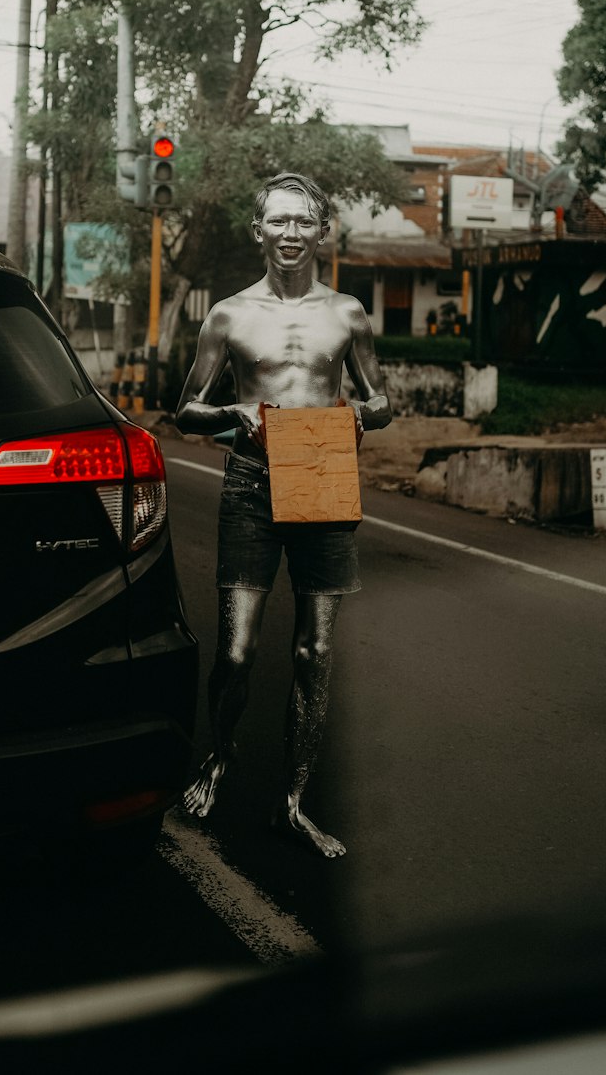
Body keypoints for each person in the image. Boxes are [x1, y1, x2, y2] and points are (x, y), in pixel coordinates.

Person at [175, 173, 392, 858]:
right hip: (251, 481)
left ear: (322, 230)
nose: (292, 234)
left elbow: (382, 399)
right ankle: (220, 756)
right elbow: (183, 410)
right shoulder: (230, 315)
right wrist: (233, 413)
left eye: (304, 222)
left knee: (314, 650)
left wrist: (359, 413)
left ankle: (294, 801)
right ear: (258, 230)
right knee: (238, 650)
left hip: (323, 474)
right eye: (280, 222)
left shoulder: (349, 313)